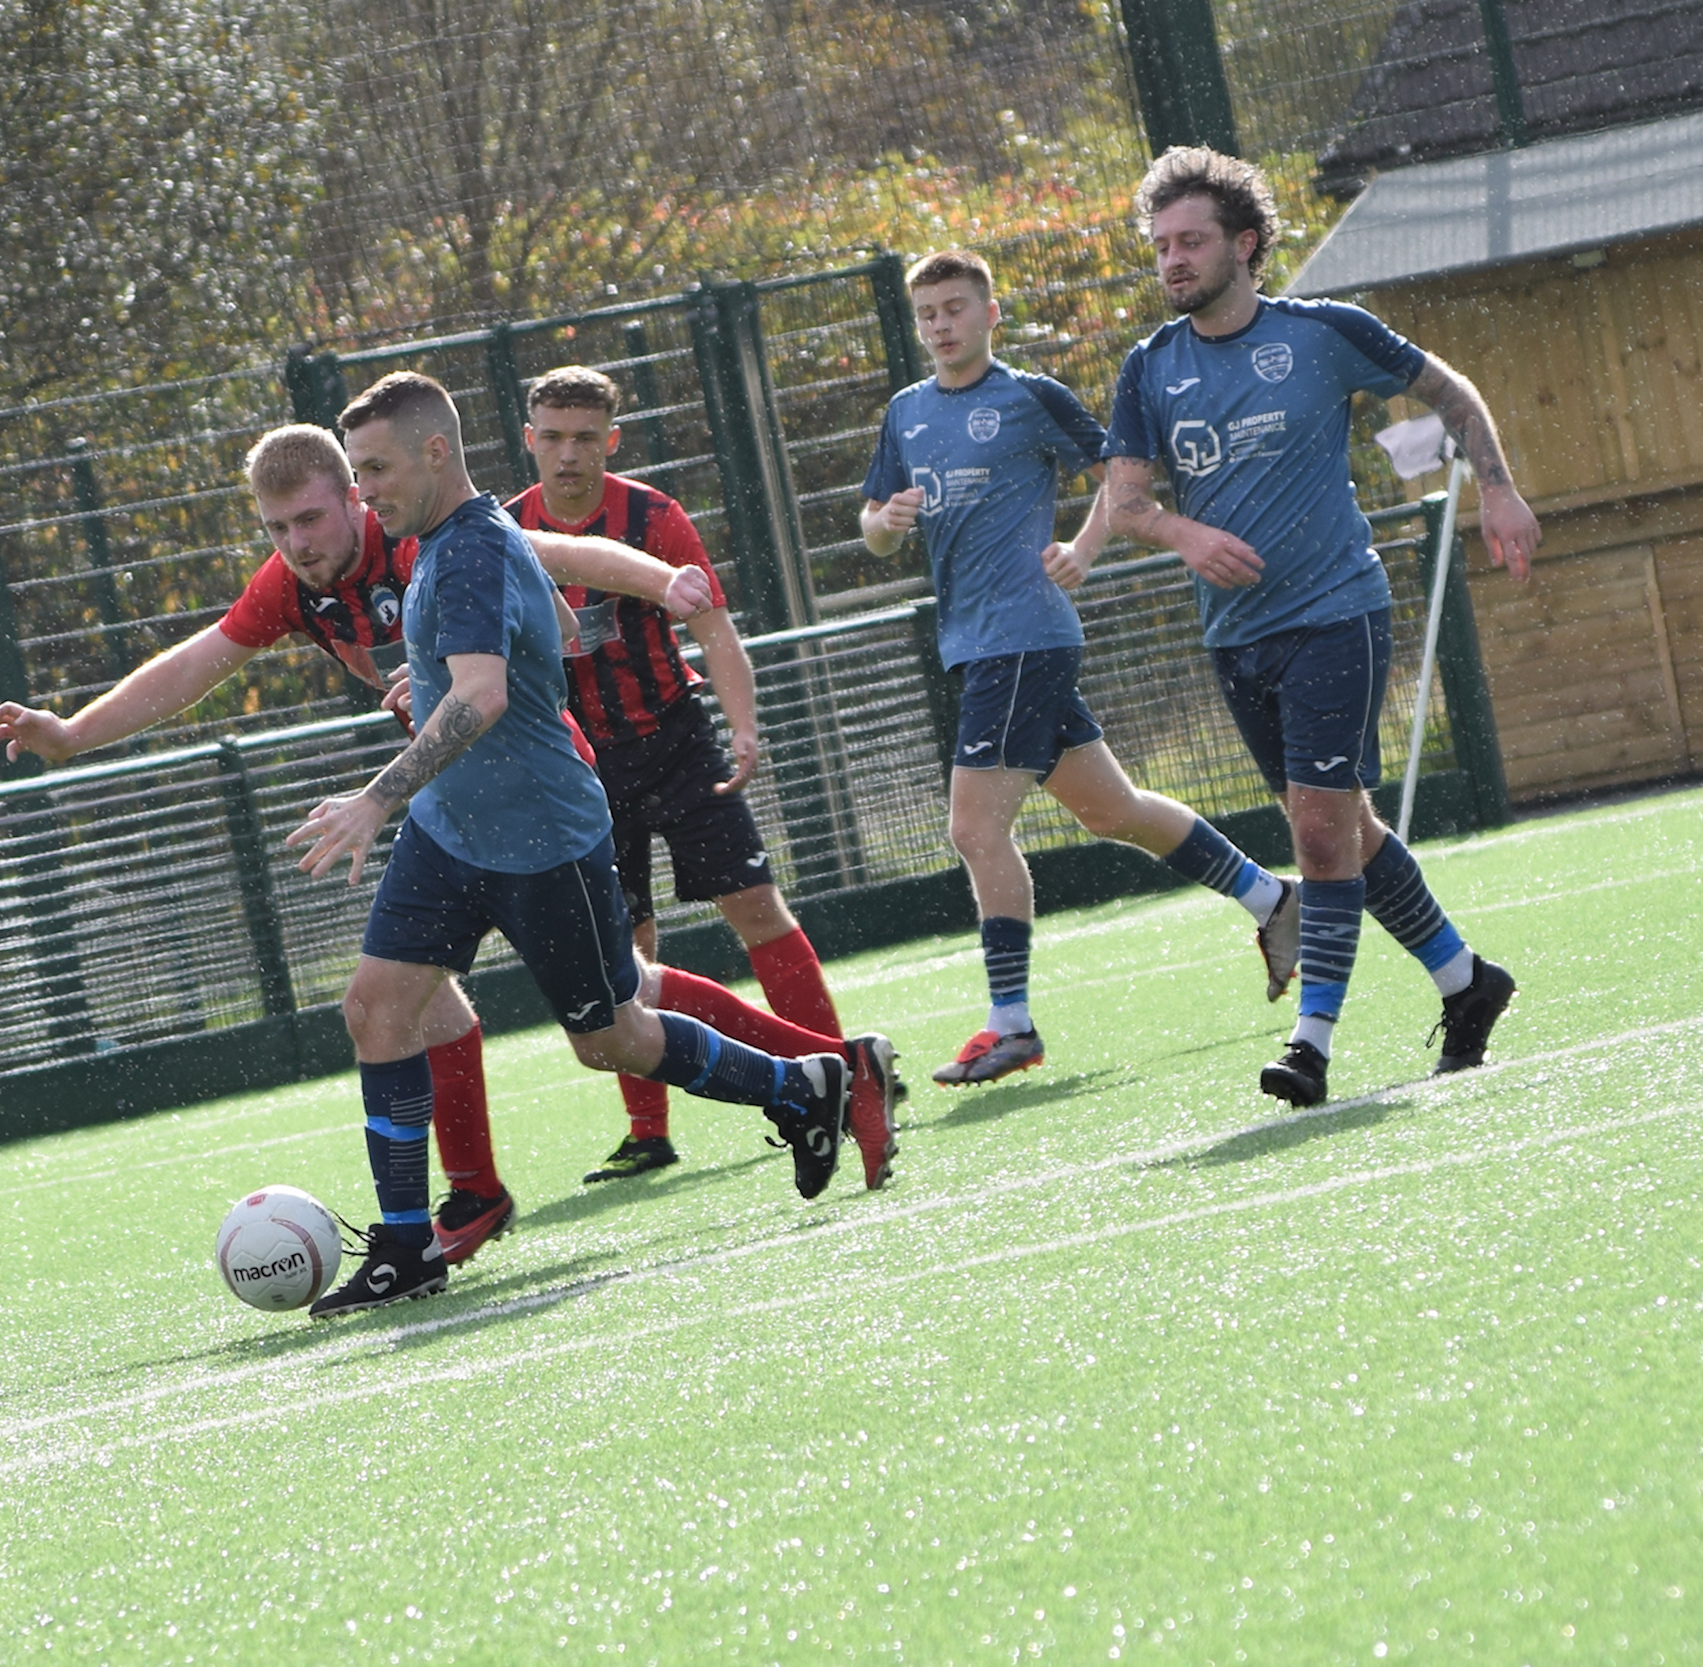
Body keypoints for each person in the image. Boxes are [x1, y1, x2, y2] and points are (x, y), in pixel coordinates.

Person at [0, 422, 712, 1264]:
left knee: (620, 1015)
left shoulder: (421, 539)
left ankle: (816, 1072)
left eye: (309, 521)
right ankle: (470, 1198)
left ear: (356, 499)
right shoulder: (299, 585)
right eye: (275, 529)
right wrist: (72, 733)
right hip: (446, 807)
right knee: (397, 1001)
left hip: (534, 805)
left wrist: (666, 581)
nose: (294, 543)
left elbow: (554, 558)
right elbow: (199, 661)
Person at [285, 372, 901, 1319]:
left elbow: (484, 697)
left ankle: (802, 1083)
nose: (363, 489)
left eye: (374, 468)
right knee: (375, 1007)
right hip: (453, 833)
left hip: (542, 841)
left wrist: (376, 798)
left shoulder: (471, 549)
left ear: (435, 453)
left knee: (612, 1036)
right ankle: (407, 1243)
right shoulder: (457, 540)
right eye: (356, 470)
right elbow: (566, 626)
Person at [1101, 148, 1538, 1106]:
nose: (1171, 260)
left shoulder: (1324, 333)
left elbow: (1449, 393)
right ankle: (1468, 983)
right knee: (1344, 824)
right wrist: (1186, 531)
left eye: (1191, 241)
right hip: (1235, 634)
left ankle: (1311, 1044)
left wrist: (1498, 492)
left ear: (1245, 244)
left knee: (1317, 832)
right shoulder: (1149, 368)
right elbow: (1126, 502)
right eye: (1161, 244)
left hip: (1338, 612)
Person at [859, 250, 1300, 1086]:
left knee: (973, 828)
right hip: (976, 645)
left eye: (957, 308)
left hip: (1023, 639)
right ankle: (1271, 899)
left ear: (992, 314)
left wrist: (1084, 549)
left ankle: (1011, 1021)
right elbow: (872, 529)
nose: (942, 325)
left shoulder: (1030, 397)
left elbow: (1121, 478)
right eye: (928, 314)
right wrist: (886, 519)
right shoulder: (907, 413)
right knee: (1113, 810)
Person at [512, 366, 884, 1184]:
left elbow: (712, 626)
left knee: (754, 905)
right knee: (626, 944)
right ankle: (649, 1129)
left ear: (610, 442)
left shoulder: (653, 515)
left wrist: (743, 723)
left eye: (584, 438)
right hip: (581, 765)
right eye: (552, 436)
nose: (567, 453)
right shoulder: (505, 530)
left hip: (676, 739)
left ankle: (851, 1073)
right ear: (528, 439)